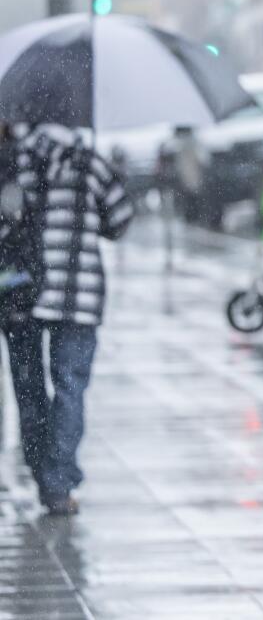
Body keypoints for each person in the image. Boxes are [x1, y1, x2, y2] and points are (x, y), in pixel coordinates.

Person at [2, 122, 133, 515]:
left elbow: (5, 220)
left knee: (28, 388)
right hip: (79, 293)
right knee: (70, 386)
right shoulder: (91, 163)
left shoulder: (18, 162)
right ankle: (58, 481)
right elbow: (120, 221)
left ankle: (41, 468)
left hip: (24, 291)